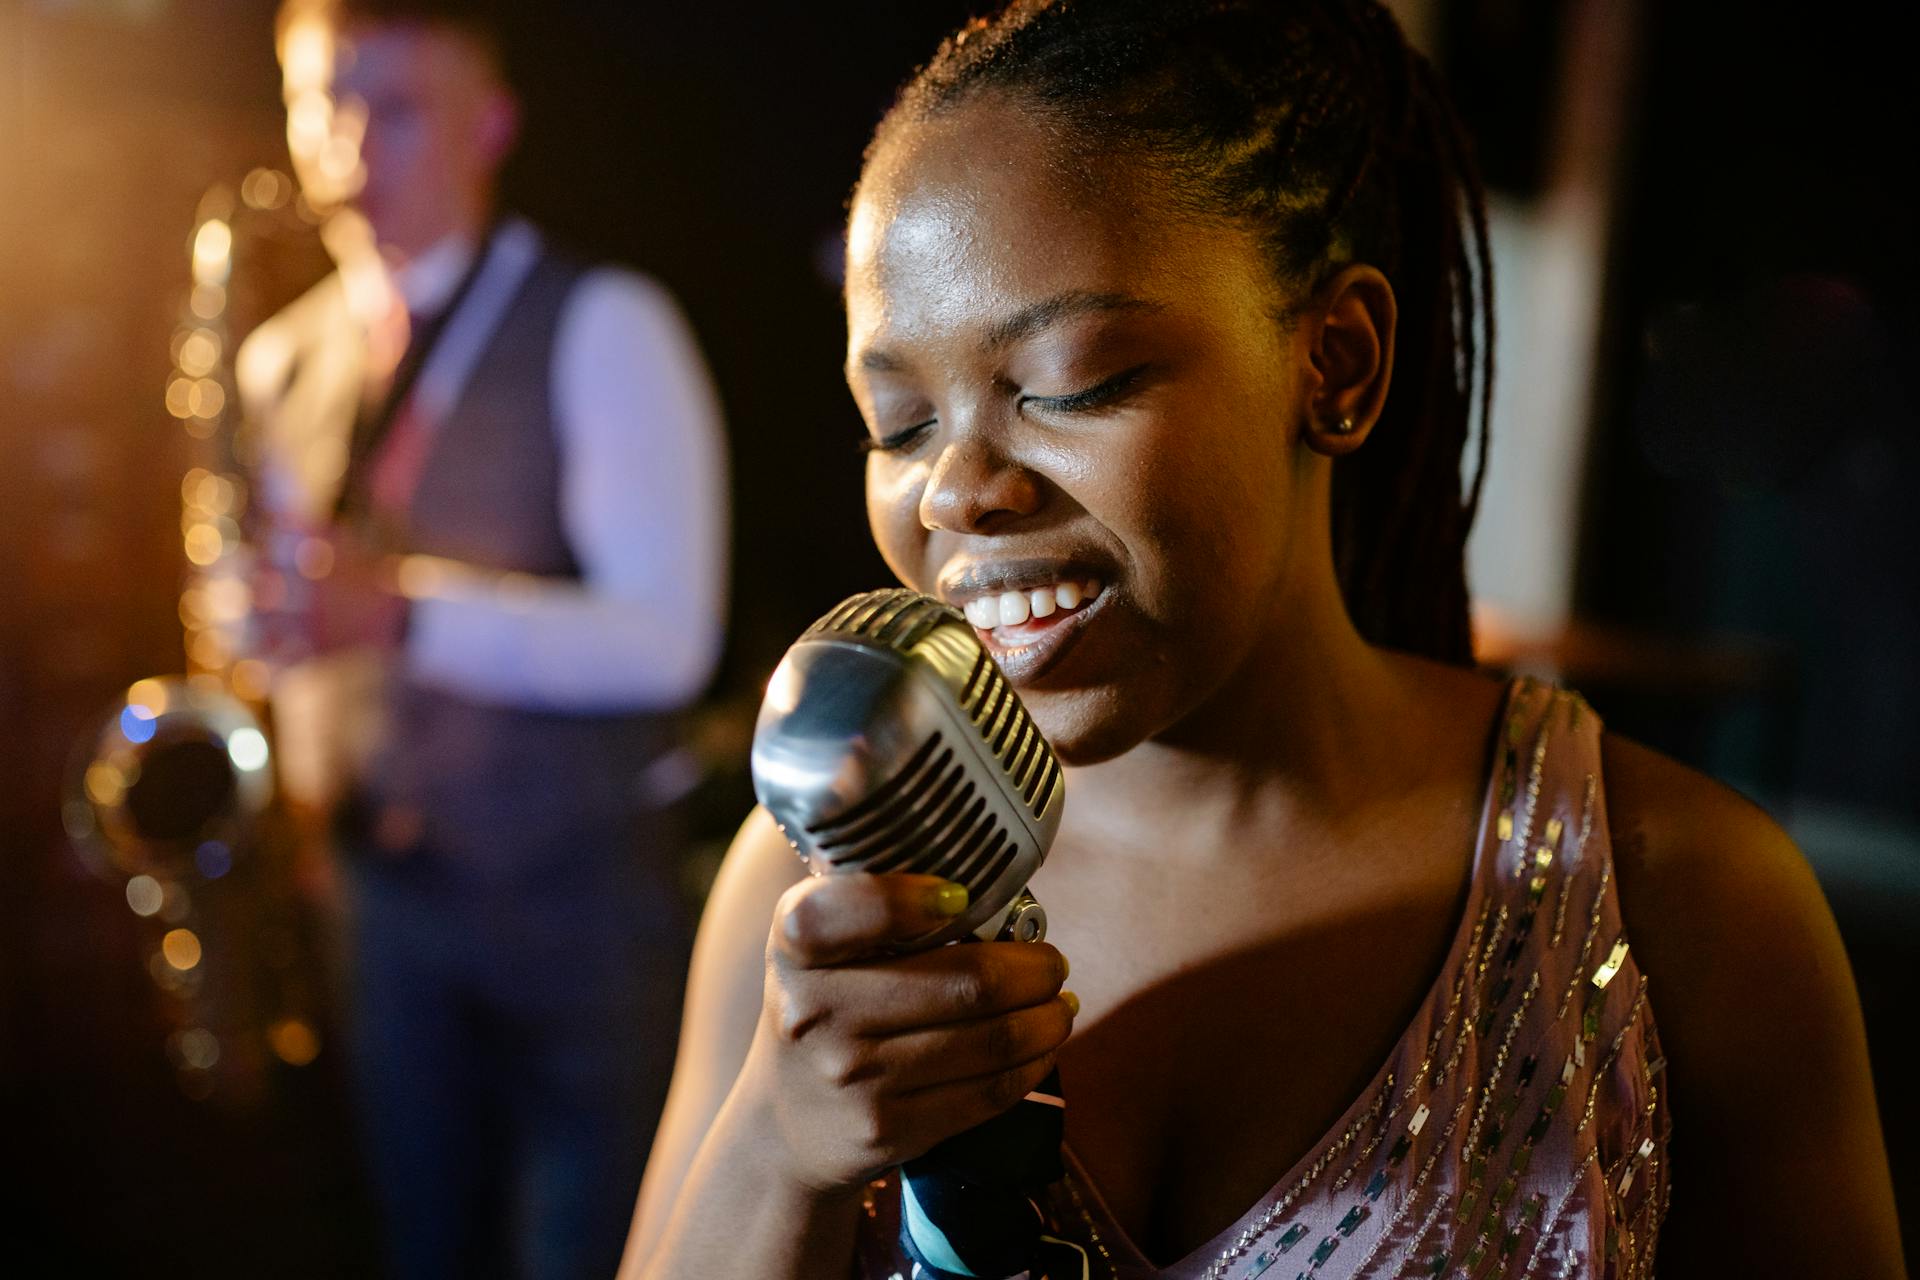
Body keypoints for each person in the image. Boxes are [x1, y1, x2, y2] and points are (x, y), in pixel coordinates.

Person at [620, 1, 1906, 1277]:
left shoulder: (1684, 905)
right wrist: (778, 1148)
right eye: (897, 424)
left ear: (1337, 362)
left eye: (1070, 384)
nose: (955, 490)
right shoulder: (813, 892)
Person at [236, 2, 728, 1277]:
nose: (345, 146)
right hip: (378, 913)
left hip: (576, 919)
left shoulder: (607, 320)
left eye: (391, 107)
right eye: (319, 103)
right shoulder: (281, 361)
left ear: (491, 122)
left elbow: (669, 642)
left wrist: (397, 611)